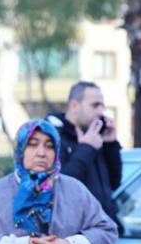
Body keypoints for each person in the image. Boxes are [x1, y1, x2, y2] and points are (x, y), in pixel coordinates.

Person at [46, 81, 123, 232]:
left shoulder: (94, 135)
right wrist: (86, 148)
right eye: (95, 106)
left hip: (102, 232)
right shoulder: (52, 137)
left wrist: (110, 145)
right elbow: (60, 185)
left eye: (102, 106)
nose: (101, 112)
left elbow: (114, 183)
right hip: (74, 237)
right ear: (75, 105)